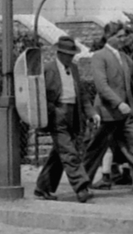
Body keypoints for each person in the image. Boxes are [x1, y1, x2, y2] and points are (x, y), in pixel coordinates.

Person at [81, 21, 133, 199]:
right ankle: (81, 184)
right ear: (108, 37)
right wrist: (119, 103)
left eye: (123, 36)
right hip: (106, 112)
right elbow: (102, 86)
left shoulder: (125, 58)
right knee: (95, 149)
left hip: (126, 114)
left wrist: (130, 103)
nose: (123, 39)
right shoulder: (99, 56)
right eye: (119, 36)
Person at [33, 35, 92, 203]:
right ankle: (81, 187)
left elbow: (82, 94)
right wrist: (54, 110)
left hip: (73, 113)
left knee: (60, 153)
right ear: (59, 53)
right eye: (68, 53)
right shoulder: (48, 69)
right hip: (57, 113)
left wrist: (91, 113)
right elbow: (39, 95)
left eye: (72, 54)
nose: (70, 57)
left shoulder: (73, 68)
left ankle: (42, 187)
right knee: (68, 151)